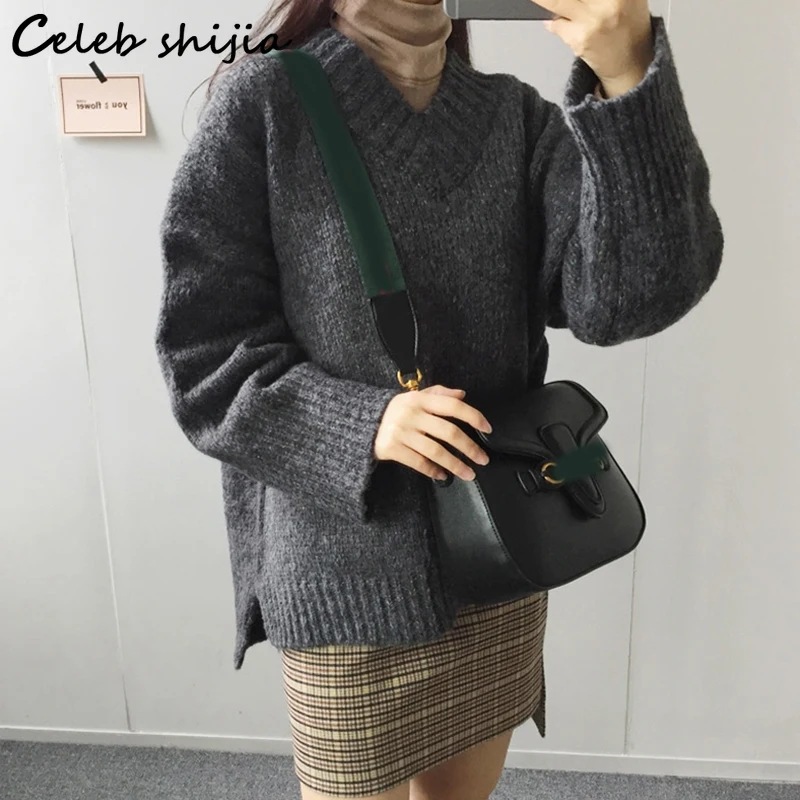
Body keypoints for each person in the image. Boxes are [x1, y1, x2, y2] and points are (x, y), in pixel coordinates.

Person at [154, 0, 724, 798]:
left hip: (500, 552)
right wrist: (366, 424)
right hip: (345, 576)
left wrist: (628, 78)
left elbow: (632, 298)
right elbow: (205, 358)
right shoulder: (268, 102)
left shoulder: (514, 119)